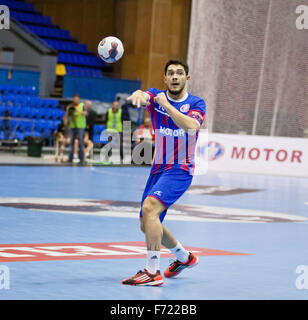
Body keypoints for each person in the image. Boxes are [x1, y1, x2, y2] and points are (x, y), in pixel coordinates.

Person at [122, 60, 206, 286]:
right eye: (171, 73)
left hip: (180, 168)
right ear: (165, 78)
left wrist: (167, 106)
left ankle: (152, 271)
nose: (175, 76)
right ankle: (183, 258)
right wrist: (140, 94)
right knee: (147, 223)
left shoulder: (197, 103)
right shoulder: (156, 96)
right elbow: (145, 95)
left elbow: (191, 126)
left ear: (187, 79)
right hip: (158, 169)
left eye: (180, 73)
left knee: (149, 209)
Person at [65, 94, 87, 164]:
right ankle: (70, 159)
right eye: (74, 99)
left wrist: (77, 110)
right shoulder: (71, 106)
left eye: (77, 99)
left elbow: (85, 113)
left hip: (80, 126)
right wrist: (68, 110)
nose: (76, 100)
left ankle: (82, 159)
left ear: (79, 99)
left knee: (81, 142)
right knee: (71, 143)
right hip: (72, 126)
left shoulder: (82, 105)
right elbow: (67, 116)